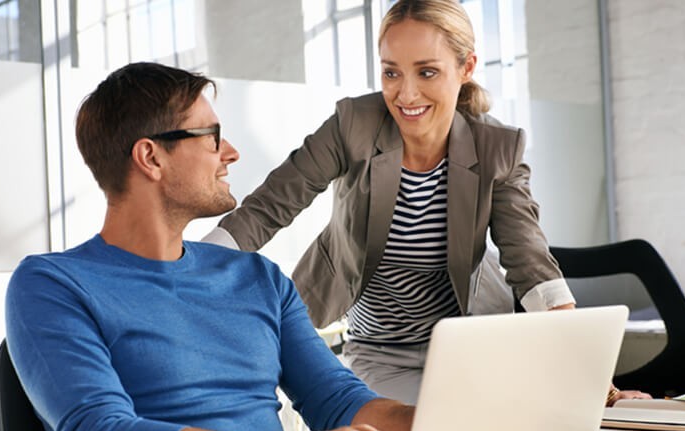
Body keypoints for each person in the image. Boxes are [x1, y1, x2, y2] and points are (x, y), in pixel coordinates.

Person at [204, 0, 649, 406]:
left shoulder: (497, 147)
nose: (406, 94)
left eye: (427, 72)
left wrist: (602, 387)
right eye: (391, 72)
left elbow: (531, 265)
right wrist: (190, 272)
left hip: (476, 342)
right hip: (381, 352)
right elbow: (269, 207)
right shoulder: (351, 126)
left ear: (467, 67)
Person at [5, 62, 414, 431]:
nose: (231, 153)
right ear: (150, 157)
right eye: (212, 137)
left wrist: (443, 424)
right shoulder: (53, 284)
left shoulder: (259, 278)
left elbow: (339, 402)